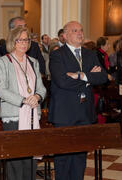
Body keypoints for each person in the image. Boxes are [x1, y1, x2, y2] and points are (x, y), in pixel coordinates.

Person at [48, 21, 108, 180]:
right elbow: (62, 81)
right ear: (65, 36)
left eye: (81, 30)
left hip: (84, 112)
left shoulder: (90, 53)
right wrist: (89, 78)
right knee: (63, 158)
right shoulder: (57, 54)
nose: (80, 33)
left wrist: (81, 75)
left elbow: (102, 77)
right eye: (75, 31)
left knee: (80, 157)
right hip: (64, 114)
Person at [0, 26, 46, 180]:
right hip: (13, 115)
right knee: (16, 159)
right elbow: (1, 90)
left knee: (30, 159)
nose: (23, 43)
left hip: (32, 115)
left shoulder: (34, 62)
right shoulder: (3, 61)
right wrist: (24, 100)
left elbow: (41, 88)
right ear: (12, 41)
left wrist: (37, 96)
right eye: (20, 40)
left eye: (26, 39)